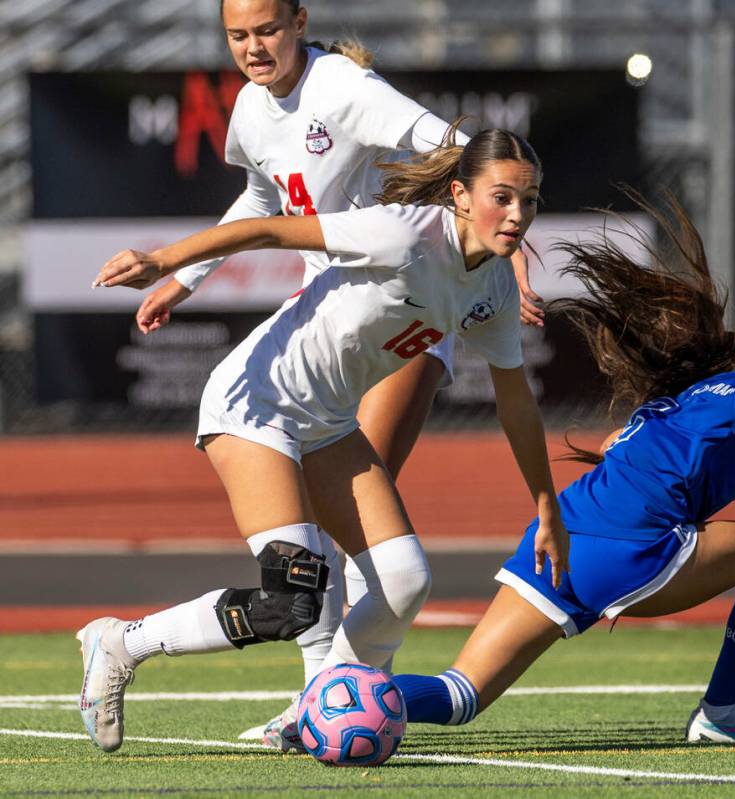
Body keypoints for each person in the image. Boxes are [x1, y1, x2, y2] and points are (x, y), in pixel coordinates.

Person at [386, 193, 735, 744]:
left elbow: (618, 445)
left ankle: (326, 702)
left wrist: (727, 477)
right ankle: (722, 711)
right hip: (624, 551)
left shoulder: (698, 396)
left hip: (557, 536)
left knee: (459, 696)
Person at [128, 0, 542, 746]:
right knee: (325, 536)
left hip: (408, 298)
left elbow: (459, 150)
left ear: (298, 21)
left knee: (368, 534)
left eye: (267, 29)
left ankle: (324, 696)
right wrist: (183, 279)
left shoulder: (342, 88)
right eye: (238, 35)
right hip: (333, 310)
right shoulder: (253, 110)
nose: (254, 48)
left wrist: (500, 251)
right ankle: (321, 698)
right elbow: (260, 198)